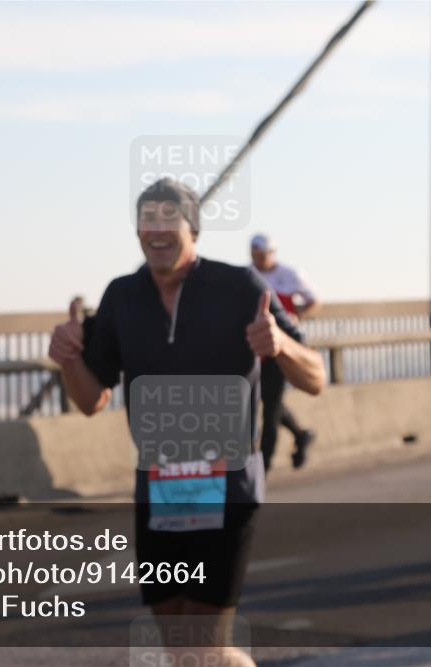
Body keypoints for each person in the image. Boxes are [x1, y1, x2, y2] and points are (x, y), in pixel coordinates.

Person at [49, 178, 325, 667]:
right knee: (183, 651)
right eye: (146, 219)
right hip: (159, 487)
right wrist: (70, 360)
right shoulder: (122, 296)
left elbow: (316, 377)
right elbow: (91, 400)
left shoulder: (240, 287)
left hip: (226, 484)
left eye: (167, 218)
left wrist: (279, 345)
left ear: (192, 228)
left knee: (200, 646)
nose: (156, 230)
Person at [250, 233, 318, 471]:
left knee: (270, 411)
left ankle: (263, 467)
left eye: (262, 255)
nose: (258, 260)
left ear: (272, 254)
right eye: (255, 255)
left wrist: (295, 317)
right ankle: (301, 435)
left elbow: (313, 301)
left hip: (283, 349)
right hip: (258, 349)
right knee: (267, 401)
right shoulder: (248, 275)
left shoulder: (289, 275)